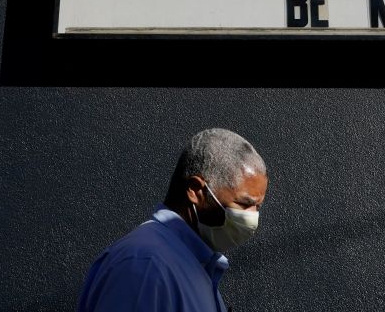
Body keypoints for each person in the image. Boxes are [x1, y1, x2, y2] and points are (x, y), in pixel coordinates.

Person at [77, 128, 268, 312]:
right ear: (196, 190)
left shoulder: (195, 266)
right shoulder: (146, 265)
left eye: (257, 207)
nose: (252, 217)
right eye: (244, 204)